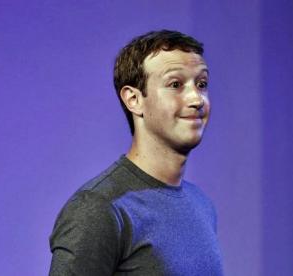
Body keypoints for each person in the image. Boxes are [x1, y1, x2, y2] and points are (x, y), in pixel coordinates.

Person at [48, 30, 223, 275]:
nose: (196, 98)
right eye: (175, 84)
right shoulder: (99, 208)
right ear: (134, 99)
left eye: (201, 84)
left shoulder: (202, 205)